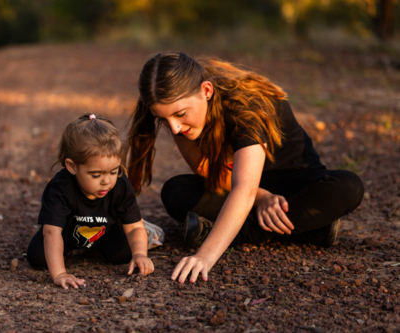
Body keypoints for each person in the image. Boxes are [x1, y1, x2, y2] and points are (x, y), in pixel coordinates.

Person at [125, 52, 364, 284]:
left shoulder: (247, 104)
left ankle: (233, 232)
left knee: (348, 186)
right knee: (176, 192)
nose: (175, 128)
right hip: (244, 186)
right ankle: (312, 228)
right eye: (164, 119)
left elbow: (244, 190)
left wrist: (205, 257)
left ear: (206, 91)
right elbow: (208, 170)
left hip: (294, 187)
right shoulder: (178, 119)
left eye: (180, 114)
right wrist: (262, 197)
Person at [27, 114, 154, 290]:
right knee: (38, 258)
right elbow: (51, 232)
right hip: (66, 233)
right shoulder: (61, 188)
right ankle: (73, 249)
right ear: (72, 166)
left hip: (106, 231)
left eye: (113, 171)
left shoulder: (120, 184)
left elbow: (133, 228)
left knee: (124, 254)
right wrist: (60, 274)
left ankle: (149, 231)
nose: (106, 181)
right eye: (96, 175)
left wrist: (140, 254)